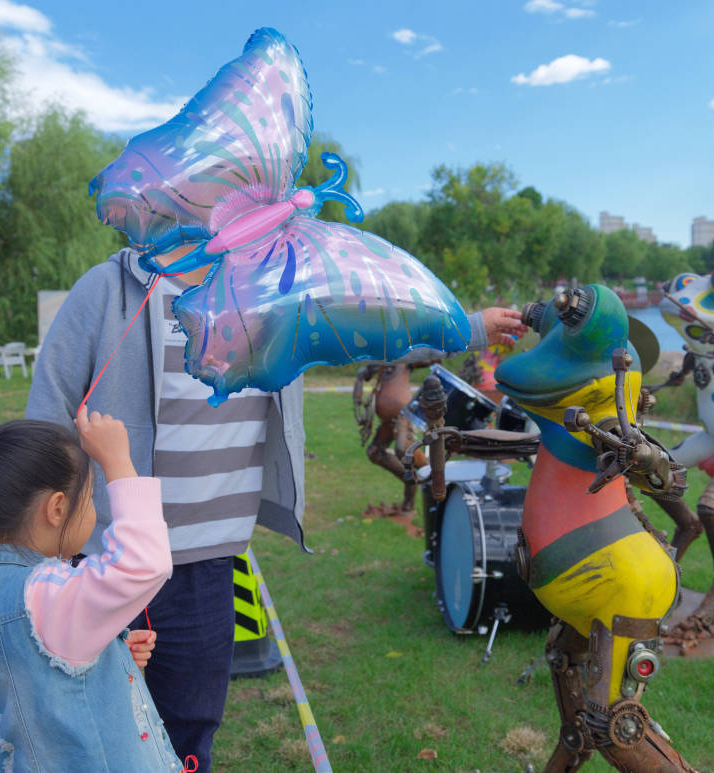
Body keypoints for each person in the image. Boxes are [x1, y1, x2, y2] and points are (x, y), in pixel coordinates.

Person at [26, 243, 527, 770]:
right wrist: (43, 553)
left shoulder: (276, 293)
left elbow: (367, 326)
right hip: (108, 563)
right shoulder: (108, 291)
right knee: (93, 732)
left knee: (189, 735)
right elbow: (46, 414)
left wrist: (466, 329)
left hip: (208, 565)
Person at [0, 408, 186, 771]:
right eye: (91, 497)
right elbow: (143, 563)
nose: (94, 509)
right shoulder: (43, 595)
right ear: (57, 508)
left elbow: (31, 681)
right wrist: (117, 462)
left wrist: (101, 656)